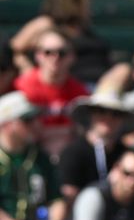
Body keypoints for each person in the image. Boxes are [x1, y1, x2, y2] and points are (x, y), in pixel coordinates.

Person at [15, 28, 90, 158]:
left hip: (67, 155)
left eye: (62, 53)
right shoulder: (21, 88)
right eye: (48, 52)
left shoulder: (80, 93)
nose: (55, 58)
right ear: (38, 55)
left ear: (72, 57)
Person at [0, 91, 61, 220]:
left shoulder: (40, 157)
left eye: (35, 119)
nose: (35, 124)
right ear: (7, 125)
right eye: (27, 120)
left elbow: (57, 199)